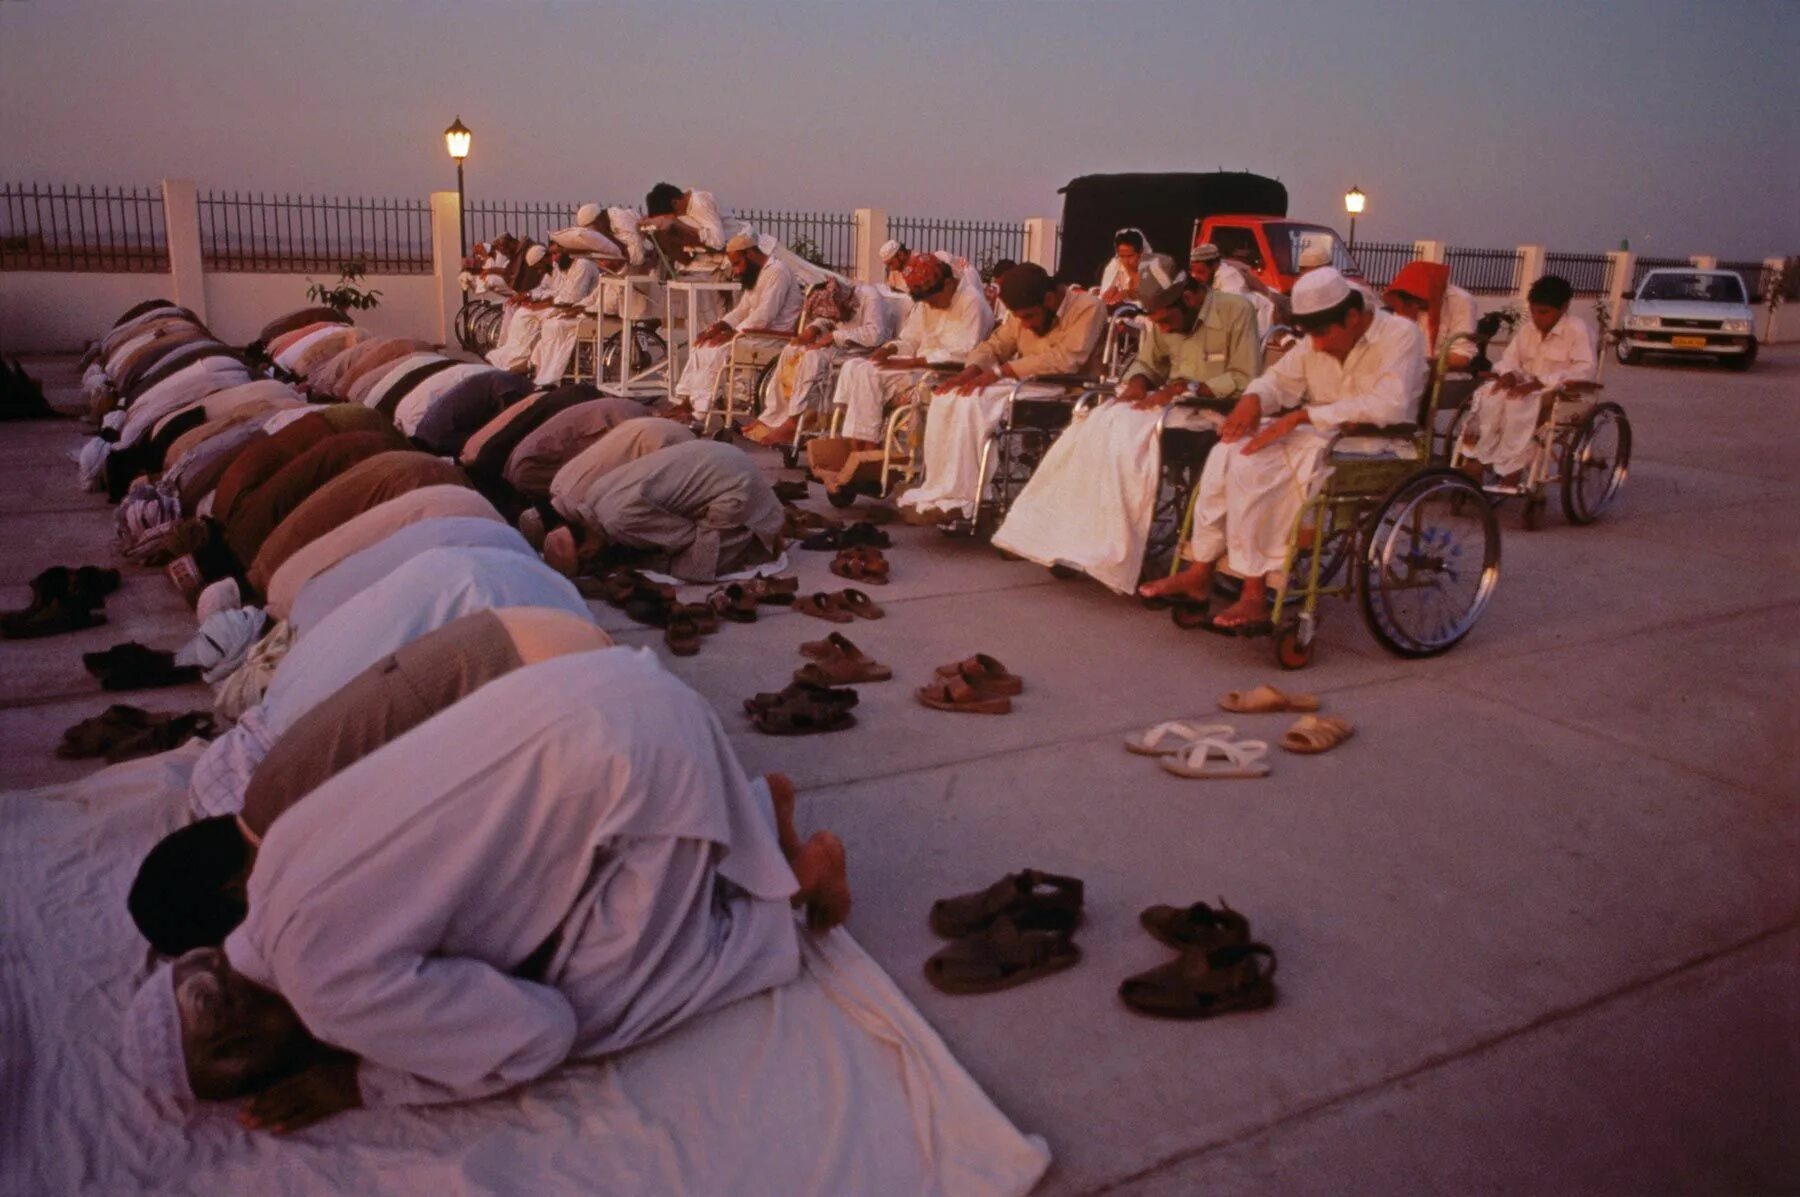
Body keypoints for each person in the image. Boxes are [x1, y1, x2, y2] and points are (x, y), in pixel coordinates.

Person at [123, 652, 848, 1131]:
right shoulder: (272, 857)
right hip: (612, 683)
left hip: (651, 763)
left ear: (245, 1040)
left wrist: (363, 1080)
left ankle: (781, 903)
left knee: (593, 1015)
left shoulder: (324, 989)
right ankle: (755, 814)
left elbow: (539, 1033)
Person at [127, 607, 615, 956]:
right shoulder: (265, 790)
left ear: (235, 890)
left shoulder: (297, 833)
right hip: (525, 628)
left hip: (563, 677)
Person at [1139, 267, 1426, 627]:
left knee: (1254, 468)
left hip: (1378, 442)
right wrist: (1253, 400)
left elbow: (1390, 404)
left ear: (1354, 317)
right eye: (1312, 335)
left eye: (1322, 334)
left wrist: (1303, 416)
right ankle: (1200, 569)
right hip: (1321, 433)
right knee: (1229, 448)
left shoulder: (1401, 334)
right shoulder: (1316, 337)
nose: (1317, 344)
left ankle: (1254, 594)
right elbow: (1278, 380)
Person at [992, 272, 1260, 593]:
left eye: (1166, 321)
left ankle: (1120, 549)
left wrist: (1188, 386)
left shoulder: (1236, 311)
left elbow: (1247, 378)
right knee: (1091, 426)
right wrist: (1138, 383)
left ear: (1189, 299)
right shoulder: (1165, 320)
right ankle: (1066, 534)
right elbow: (1147, 362)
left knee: (1125, 441)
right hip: (1171, 406)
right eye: (1156, 323)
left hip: (1216, 410)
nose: (1162, 328)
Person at [897, 263, 1106, 523]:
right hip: (1027, 383)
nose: (1026, 325)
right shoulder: (1021, 316)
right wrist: (970, 370)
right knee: (949, 395)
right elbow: (996, 345)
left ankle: (969, 496)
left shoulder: (1088, 307)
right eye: (1021, 319)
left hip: (1068, 390)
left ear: (1049, 299)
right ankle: (943, 490)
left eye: (1030, 317)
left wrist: (1000, 372)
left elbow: (1066, 360)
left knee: (974, 402)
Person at [541, 438, 784, 582]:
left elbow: (684, 536)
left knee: (693, 567)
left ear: (586, 552)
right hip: (724, 455)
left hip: (735, 485)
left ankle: (758, 534)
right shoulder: (593, 494)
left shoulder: (616, 521)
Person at [821, 252, 994, 451]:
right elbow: (911, 339)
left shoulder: (972, 302)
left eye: (932, 301)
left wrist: (912, 363)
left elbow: (965, 354)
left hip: (942, 374)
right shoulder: (926, 302)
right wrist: (890, 349)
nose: (930, 305)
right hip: (916, 368)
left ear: (947, 284)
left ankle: (867, 447)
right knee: (854, 366)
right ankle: (855, 444)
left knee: (868, 373)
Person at [1459, 274, 1595, 480]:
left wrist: (1539, 383)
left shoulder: (1577, 330)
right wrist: (1509, 375)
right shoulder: (1527, 330)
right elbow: (1509, 360)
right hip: (1525, 387)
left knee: (1518, 404)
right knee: (1490, 395)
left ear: (1564, 307)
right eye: (1533, 311)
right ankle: (1479, 458)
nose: (1537, 318)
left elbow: (1584, 370)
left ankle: (1510, 468)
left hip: (1558, 392)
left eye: (1544, 312)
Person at [740, 277, 897, 446]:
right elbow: (827, 318)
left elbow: (876, 334)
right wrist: (812, 331)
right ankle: (772, 415)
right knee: (790, 350)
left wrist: (834, 336)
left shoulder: (870, 297)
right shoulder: (838, 296)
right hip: (838, 349)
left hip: (861, 352)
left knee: (811, 357)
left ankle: (793, 422)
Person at [670, 232, 803, 420]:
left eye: (737, 263)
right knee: (701, 344)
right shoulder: (757, 273)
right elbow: (742, 310)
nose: (736, 271)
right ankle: (686, 401)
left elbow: (764, 315)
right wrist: (718, 327)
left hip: (772, 337)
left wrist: (733, 334)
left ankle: (700, 412)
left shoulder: (777, 271)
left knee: (716, 350)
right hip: (754, 333)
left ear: (749, 254)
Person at [528, 243, 603, 386]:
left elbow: (574, 296)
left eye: (556, 254)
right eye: (552, 254)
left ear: (567, 251)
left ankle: (553, 374)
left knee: (555, 325)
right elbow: (564, 294)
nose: (554, 259)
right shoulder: (567, 266)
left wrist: (570, 307)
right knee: (550, 324)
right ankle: (546, 372)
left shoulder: (583, 264)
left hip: (591, 314)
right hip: (577, 309)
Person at [1383, 261, 1477, 369]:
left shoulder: (1461, 301)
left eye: (1417, 301)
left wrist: (1426, 364)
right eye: (1409, 301)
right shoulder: (1404, 302)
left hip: (1445, 376)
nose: (1414, 307)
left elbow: (1462, 355)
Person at [485, 245, 555, 372]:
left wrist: (535, 301)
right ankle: (508, 349)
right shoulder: (548, 273)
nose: (539, 272)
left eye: (539, 267)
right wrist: (527, 296)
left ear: (544, 259)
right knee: (519, 310)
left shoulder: (558, 270)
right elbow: (542, 289)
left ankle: (522, 357)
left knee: (526, 314)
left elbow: (558, 294)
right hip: (549, 303)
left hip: (557, 306)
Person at [1189, 242, 1276, 336]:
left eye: (1200, 272)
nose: (1195, 276)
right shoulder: (1206, 280)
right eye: (1192, 271)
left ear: (1214, 265)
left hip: (1261, 316)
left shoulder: (1229, 277)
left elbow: (1230, 312)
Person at [1098, 228, 1177, 309]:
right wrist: (1112, 288)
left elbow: (1161, 296)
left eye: (1130, 256)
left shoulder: (1155, 266)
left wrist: (1126, 293)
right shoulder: (1115, 265)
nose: (1126, 261)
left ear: (1141, 252)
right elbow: (1104, 299)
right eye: (1122, 256)